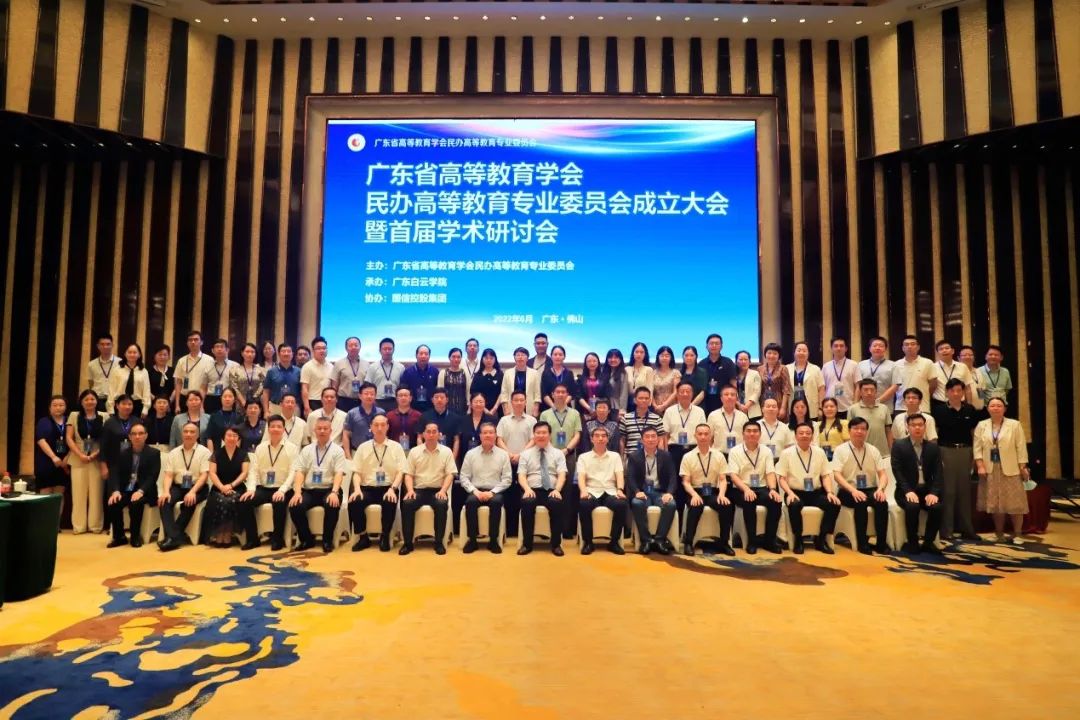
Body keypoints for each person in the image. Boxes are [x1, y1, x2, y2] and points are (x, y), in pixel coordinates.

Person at [776, 422, 841, 554]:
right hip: (794, 492)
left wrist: (829, 492)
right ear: (795, 436)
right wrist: (789, 493)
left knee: (834, 504)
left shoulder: (819, 452)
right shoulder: (786, 453)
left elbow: (825, 475)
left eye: (808, 433)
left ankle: (821, 539)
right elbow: (781, 478)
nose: (804, 435)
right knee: (795, 505)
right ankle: (798, 539)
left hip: (815, 493)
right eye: (801, 433)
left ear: (812, 435)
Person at [346, 414, 407, 552]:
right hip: (366, 488)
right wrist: (357, 489)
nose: (379, 428)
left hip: (388, 487)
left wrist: (393, 489)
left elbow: (401, 472)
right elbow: (357, 472)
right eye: (376, 425)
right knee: (354, 501)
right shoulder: (363, 447)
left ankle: (385, 536)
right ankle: (363, 537)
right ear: (371, 427)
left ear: (387, 427)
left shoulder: (396, 447)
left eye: (383, 425)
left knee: (389, 501)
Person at [830, 417, 890, 554]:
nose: (859, 431)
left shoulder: (873, 450)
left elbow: (883, 474)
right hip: (847, 490)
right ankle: (862, 543)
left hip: (870, 489)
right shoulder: (841, 450)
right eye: (856, 428)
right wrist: (853, 491)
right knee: (860, 502)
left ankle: (881, 543)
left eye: (863, 429)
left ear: (866, 431)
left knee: (882, 502)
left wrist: (880, 489)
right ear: (849, 430)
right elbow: (837, 475)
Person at [974, 398, 1030, 544]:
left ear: (1004, 408)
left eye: (999, 405)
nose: (996, 408)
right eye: (992, 405)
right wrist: (980, 465)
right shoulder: (982, 425)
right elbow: (977, 448)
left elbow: (1021, 447)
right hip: (990, 469)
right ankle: (999, 533)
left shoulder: (1014, 425)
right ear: (988, 408)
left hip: (1011, 468)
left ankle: (1018, 534)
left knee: (1015, 503)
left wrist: (1022, 466)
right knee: (996, 503)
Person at [239, 414, 298, 551]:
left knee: (279, 502)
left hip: (284, 489)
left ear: (283, 429)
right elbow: (253, 470)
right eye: (272, 426)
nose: (275, 429)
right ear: (268, 429)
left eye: (279, 427)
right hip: (264, 488)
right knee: (244, 502)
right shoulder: (261, 448)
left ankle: (277, 539)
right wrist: (251, 489)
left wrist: (282, 490)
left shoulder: (292, 448)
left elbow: (293, 472)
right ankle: (253, 539)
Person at [288, 416, 347, 552]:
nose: (322, 431)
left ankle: (327, 540)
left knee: (332, 504)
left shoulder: (338, 450)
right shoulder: (307, 450)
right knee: (295, 505)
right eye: (319, 428)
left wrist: (334, 492)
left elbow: (339, 473)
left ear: (330, 431)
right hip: (309, 490)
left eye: (325, 428)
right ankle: (307, 539)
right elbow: (300, 472)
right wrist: (297, 492)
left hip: (329, 489)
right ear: (314, 430)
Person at [933, 378, 981, 541]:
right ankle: (947, 530)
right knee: (948, 492)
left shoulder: (970, 409)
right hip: (946, 451)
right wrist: (938, 456)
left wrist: (975, 454)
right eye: (952, 390)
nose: (955, 393)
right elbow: (935, 434)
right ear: (947, 392)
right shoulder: (939, 410)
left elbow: (974, 434)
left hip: (965, 451)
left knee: (965, 491)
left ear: (963, 392)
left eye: (959, 390)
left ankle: (967, 529)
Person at [726, 421, 784, 554]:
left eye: (755, 431)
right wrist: (746, 490)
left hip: (761, 488)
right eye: (749, 431)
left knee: (776, 501)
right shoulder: (735, 451)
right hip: (741, 488)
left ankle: (770, 541)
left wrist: (773, 490)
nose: (752, 434)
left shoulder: (766, 451)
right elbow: (733, 475)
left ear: (760, 434)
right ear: (743, 434)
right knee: (749, 500)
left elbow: (770, 472)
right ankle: (752, 542)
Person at [400, 422, 457, 555]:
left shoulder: (446, 451)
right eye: (428, 432)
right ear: (423, 434)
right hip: (418, 491)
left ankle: (439, 543)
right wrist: (410, 490)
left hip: (438, 491)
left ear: (439, 435)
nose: (431, 435)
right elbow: (408, 474)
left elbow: (450, 474)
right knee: (407, 503)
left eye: (434, 432)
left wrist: (443, 491)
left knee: (441, 504)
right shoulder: (414, 451)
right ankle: (408, 544)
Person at [891, 414, 944, 554]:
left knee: (937, 507)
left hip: (926, 491)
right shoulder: (899, 445)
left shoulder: (933, 447)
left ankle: (928, 542)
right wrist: (908, 490)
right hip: (905, 491)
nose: (917, 428)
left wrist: (934, 493)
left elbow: (938, 473)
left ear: (925, 427)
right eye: (913, 425)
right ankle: (912, 542)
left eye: (920, 425)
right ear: (907, 427)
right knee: (912, 506)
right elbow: (897, 471)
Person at [679, 423, 735, 556]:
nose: (703, 437)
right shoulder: (688, 456)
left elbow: (723, 479)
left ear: (711, 436)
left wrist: (722, 494)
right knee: (696, 506)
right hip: (695, 491)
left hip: (713, 492)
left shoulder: (719, 455)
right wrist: (694, 495)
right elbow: (685, 482)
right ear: (695, 436)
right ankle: (688, 542)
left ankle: (724, 542)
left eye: (706, 434)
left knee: (726, 505)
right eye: (700, 434)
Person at [158, 421, 212, 551]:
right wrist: (166, 491)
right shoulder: (174, 452)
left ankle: (171, 538)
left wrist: (192, 491)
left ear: (197, 435)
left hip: (198, 487)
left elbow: (204, 475)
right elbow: (169, 475)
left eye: (192, 432)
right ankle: (175, 537)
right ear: (182, 434)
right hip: (178, 486)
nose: (188, 434)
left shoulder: (205, 452)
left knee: (190, 502)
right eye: (186, 431)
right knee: (164, 501)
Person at [458, 423, 512, 553]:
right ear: (480, 435)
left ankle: (493, 540)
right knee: (470, 502)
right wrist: (475, 491)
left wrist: (492, 492)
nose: (488, 435)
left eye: (491, 432)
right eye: (485, 433)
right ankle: (472, 540)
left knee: (496, 503)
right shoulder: (471, 454)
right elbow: (464, 477)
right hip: (476, 490)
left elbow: (507, 479)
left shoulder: (503, 455)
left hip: (495, 491)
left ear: (495, 435)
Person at [104, 421, 160, 548]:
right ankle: (119, 537)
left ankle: (135, 536)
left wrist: (140, 491)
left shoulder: (154, 453)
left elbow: (152, 477)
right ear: (129, 436)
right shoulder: (122, 454)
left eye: (140, 433)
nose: (137, 436)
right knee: (113, 502)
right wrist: (116, 490)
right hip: (127, 489)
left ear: (146, 435)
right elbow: (115, 474)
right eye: (134, 434)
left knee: (135, 503)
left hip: (146, 491)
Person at [517, 422, 568, 556]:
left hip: (551, 490)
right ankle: (527, 544)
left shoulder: (558, 454)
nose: (541, 435)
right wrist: (527, 489)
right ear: (533, 435)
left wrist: (557, 490)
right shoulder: (525, 454)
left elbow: (562, 474)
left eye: (544, 433)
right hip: (532, 489)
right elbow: (521, 475)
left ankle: (556, 545)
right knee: (527, 503)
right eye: (538, 433)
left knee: (556, 503)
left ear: (549, 435)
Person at [576, 426, 628, 555]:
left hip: (610, 491)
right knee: (584, 504)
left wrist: (620, 489)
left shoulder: (615, 456)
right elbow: (581, 477)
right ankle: (588, 542)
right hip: (591, 491)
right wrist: (583, 490)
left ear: (608, 439)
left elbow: (619, 475)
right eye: (597, 436)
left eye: (603, 436)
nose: (600, 438)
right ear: (591, 439)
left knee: (621, 504)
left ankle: (614, 542)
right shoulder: (583, 457)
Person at [626, 427, 677, 554]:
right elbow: (630, 478)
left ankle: (660, 540)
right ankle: (646, 540)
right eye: (647, 437)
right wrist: (637, 491)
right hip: (643, 493)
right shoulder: (634, 456)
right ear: (642, 440)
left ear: (658, 439)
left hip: (660, 492)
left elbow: (673, 477)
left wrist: (669, 493)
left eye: (653, 436)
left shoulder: (666, 456)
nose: (650, 439)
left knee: (671, 504)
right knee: (637, 503)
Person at [66, 389, 107, 534]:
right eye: (86, 399)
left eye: (92, 399)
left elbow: (106, 439)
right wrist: (80, 454)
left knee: (96, 494)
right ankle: (79, 526)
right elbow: (69, 438)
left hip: (97, 459)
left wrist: (96, 454)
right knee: (78, 495)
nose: (90, 402)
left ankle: (95, 526)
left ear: (97, 401)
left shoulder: (104, 416)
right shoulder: (74, 415)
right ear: (81, 402)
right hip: (78, 459)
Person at [202, 426, 251, 547]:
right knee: (221, 500)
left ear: (238, 438)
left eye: (235, 436)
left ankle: (227, 534)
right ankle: (220, 534)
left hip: (237, 487)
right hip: (218, 487)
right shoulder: (216, 454)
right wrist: (222, 487)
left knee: (230, 501)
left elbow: (244, 473)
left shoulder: (243, 454)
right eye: (229, 435)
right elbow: (212, 473)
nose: (231, 438)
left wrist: (231, 485)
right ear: (223, 438)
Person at [496, 390, 536, 537]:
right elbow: (499, 439)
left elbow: (533, 440)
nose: (519, 403)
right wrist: (509, 454)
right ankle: (509, 529)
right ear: (511, 402)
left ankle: (522, 530)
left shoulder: (532, 421)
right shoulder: (503, 420)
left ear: (526, 402)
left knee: (522, 495)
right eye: (516, 400)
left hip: (525, 463)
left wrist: (521, 455)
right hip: (506, 462)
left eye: (521, 400)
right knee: (508, 495)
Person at [98, 396, 138, 517]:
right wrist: (103, 466)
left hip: (132, 465)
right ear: (117, 405)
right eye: (124, 404)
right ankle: (114, 525)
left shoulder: (136, 421)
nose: (127, 407)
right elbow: (103, 446)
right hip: (113, 465)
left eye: (130, 404)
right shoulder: (110, 423)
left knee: (130, 496)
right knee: (114, 497)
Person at [35, 395, 71, 513]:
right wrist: (53, 457)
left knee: (59, 495)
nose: (58, 408)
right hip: (46, 461)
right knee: (45, 494)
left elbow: (74, 441)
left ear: (65, 407)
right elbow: (41, 440)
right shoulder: (43, 421)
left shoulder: (69, 421)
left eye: (61, 405)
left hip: (64, 463)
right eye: (55, 405)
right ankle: (44, 521)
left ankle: (56, 522)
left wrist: (67, 457)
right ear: (49, 408)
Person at [848, 379, 894, 457]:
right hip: (860, 453)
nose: (869, 392)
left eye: (872, 390)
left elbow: (888, 432)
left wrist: (892, 451)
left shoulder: (884, 408)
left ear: (876, 392)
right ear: (860, 392)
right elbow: (849, 433)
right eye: (865, 390)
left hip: (883, 453)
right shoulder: (853, 409)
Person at [893, 334, 938, 414]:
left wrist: (923, 394)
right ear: (903, 348)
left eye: (913, 344)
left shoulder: (927, 363)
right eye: (906, 344)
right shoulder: (896, 365)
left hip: (922, 407)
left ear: (918, 347)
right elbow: (894, 386)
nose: (909, 346)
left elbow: (933, 384)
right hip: (901, 407)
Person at [343, 382, 385, 457]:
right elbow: (346, 435)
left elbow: (385, 433)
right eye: (366, 394)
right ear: (360, 396)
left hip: (378, 452)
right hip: (357, 452)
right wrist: (348, 456)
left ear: (375, 396)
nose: (369, 396)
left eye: (372, 394)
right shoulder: (352, 413)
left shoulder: (381, 412)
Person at [620, 386, 666, 455]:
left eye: (646, 398)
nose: (644, 400)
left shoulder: (657, 419)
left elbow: (660, 441)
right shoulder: (626, 418)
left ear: (650, 401)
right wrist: (621, 457)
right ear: (635, 400)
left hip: (651, 456)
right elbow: (622, 441)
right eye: (641, 398)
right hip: (630, 456)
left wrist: (660, 457)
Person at [108, 343, 151, 416]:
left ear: (139, 355)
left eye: (134, 352)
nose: (132, 355)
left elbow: (146, 391)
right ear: (125, 354)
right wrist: (110, 409)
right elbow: (111, 390)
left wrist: (145, 408)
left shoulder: (144, 371)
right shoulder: (117, 370)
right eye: (129, 352)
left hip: (137, 405)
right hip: (120, 404)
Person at [419, 388, 462, 461]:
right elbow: (419, 438)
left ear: (447, 400)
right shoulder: (424, 416)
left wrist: (452, 459)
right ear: (432, 400)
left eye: (442, 397)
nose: (439, 400)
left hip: (448, 456)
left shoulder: (455, 418)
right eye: (436, 397)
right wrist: (422, 455)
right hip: (428, 456)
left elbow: (456, 440)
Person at [701, 333, 738, 415]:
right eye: (711, 343)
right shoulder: (701, 364)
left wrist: (736, 402)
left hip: (725, 401)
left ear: (721, 346)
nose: (714, 346)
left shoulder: (728, 362)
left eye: (717, 343)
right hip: (706, 402)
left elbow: (734, 384)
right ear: (706, 346)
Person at [786, 341, 825, 420]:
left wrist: (821, 408)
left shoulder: (816, 369)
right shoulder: (787, 368)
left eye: (804, 351)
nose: (801, 353)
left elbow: (821, 389)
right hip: (793, 408)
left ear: (808, 353)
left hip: (811, 407)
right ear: (794, 353)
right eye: (799, 350)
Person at [173, 331, 210, 413]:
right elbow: (178, 383)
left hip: (201, 399)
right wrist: (177, 405)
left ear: (201, 342)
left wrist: (202, 404)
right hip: (184, 398)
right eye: (190, 340)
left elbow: (209, 383)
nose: (193, 342)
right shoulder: (181, 361)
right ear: (187, 343)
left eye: (196, 339)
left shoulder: (209, 360)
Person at [932, 340, 973, 410]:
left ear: (952, 351)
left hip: (960, 404)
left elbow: (968, 389)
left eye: (947, 348)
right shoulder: (932, 367)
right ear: (937, 353)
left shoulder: (963, 367)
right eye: (941, 349)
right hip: (939, 404)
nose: (944, 350)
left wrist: (969, 406)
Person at [366, 337, 405, 411]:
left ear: (393, 350)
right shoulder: (372, 367)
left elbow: (402, 386)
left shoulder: (401, 367)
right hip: (377, 402)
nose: (387, 351)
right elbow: (368, 385)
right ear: (380, 350)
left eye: (390, 349)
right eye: (384, 349)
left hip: (395, 402)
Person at [331, 336, 369, 412]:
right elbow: (334, 385)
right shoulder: (339, 363)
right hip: (343, 401)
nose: (353, 347)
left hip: (361, 401)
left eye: (356, 345)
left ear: (360, 347)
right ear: (346, 348)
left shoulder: (366, 364)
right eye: (350, 345)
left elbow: (368, 385)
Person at [706, 385, 748, 455]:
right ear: (721, 398)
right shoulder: (713, 416)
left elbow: (746, 438)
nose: (729, 397)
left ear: (736, 398)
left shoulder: (743, 417)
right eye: (726, 394)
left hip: (738, 455)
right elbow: (709, 438)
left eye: (732, 395)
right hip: (719, 455)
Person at [857, 336, 899, 406]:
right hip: (863, 405)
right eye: (875, 346)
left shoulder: (893, 365)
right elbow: (858, 385)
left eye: (881, 346)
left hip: (885, 406)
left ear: (885, 349)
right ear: (870, 349)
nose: (877, 348)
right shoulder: (861, 364)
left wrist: (878, 401)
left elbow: (895, 386)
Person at [501, 346, 542, 416]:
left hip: (529, 408)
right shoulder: (507, 373)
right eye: (518, 355)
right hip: (511, 408)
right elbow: (504, 393)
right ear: (514, 358)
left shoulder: (534, 373)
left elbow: (537, 393)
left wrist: (536, 409)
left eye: (523, 355)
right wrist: (505, 409)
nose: (520, 357)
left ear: (527, 358)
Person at [822, 337, 857, 417]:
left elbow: (857, 386)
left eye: (841, 346)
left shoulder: (853, 365)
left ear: (846, 349)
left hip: (848, 407)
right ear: (831, 348)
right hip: (829, 408)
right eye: (836, 346)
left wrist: (855, 404)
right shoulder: (826, 366)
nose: (838, 348)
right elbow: (822, 388)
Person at [263, 343, 301, 416]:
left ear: (292, 354)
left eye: (288, 351)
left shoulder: (299, 371)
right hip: (275, 407)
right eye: (283, 351)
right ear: (279, 354)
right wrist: (266, 411)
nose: (286, 354)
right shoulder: (271, 371)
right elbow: (266, 392)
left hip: (293, 407)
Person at [400, 344, 440, 412]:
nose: (423, 356)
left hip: (430, 408)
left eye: (426, 354)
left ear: (429, 356)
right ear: (416, 355)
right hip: (412, 409)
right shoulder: (408, 372)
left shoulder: (435, 371)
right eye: (421, 353)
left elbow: (437, 390)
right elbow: (403, 390)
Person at [203, 338, 239, 414]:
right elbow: (203, 387)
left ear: (227, 350)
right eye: (217, 347)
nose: (219, 349)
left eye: (222, 347)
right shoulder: (207, 366)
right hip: (211, 399)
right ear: (213, 350)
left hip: (228, 399)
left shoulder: (235, 366)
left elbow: (238, 388)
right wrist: (201, 405)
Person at [301, 336, 333, 416]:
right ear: (313, 351)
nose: (322, 350)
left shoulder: (331, 366)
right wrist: (307, 407)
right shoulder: (307, 366)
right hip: (313, 401)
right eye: (318, 348)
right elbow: (304, 388)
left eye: (324, 348)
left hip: (327, 401)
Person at [86, 331, 120, 407]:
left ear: (112, 345)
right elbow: (91, 383)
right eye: (102, 344)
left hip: (114, 399)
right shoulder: (91, 364)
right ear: (98, 346)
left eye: (108, 344)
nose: (105, 347)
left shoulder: (120, 363)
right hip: (97, 399)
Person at [758, 342, 791, 420]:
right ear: (765, 354)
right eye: (769, 353)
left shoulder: (783, 368)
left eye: (775, 353)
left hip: (778, 402)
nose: (771, 355)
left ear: (779, 355)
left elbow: (786, 390)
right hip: (764, 403)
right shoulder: (760, 369)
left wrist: (783, 408)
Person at [230, 342, 267, 408]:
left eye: (252, 352)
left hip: (256, 404)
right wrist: (243, 402)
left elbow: (263, 385)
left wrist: (253, 400)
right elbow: (234, 387)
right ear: (242, 353)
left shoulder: (261, 370)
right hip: (239, 404)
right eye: (247, 352)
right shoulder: (234, 370)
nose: (250, 354)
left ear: (255, 354)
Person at [540, 345, 576, 412]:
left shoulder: (569, 373)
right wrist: (553, 407)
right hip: (549, 409)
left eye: (560, 354)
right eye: (555, 354)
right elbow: (544, 393)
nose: (558, 357)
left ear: (564, 357)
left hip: (566, 409)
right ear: (551, 356)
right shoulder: (546, 373)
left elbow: (571, 393)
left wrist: (562, 405)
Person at [436, 347, 470, 415]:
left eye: (458, 357)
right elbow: (440, 392)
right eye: (453, 357)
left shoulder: (465, 373)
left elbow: (468, 391)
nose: (456, 359)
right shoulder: (443, 373)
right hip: (447, 409)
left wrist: (469, 407)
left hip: (463, 408)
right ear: (449, 358)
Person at [759, 397, 794, 461]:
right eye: (768, 406)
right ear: (762, 409)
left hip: (780, 461)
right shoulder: (756, 426)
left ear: (778, 410)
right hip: (760, 461)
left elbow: (789, 447)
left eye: (774, 406)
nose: (771, 409)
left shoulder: (784, 427)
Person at [470, 348, 504, 416]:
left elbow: (502, 392)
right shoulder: (478, 375)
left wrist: (494, 409)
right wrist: (484, 409)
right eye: (486, 358)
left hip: (497, 410)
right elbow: (473, 393)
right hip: (480, 409)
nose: (489, 360)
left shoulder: (500, 374)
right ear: (482, 359)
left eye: (491, 358)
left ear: (495, 359)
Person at [576, 352, 609, 416]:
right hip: (584, 411)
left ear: (598, 362)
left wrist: (598, 409)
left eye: (594, 361)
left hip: (601, 411)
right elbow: (579, 396)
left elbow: (606, 395)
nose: (592, 363)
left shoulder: (605, 378)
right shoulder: (580, 379)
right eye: (589, 361)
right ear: (585, 363)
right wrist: (589, 408)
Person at [651, 345, 682, 414]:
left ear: (671, 358)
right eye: (662, 355)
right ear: (658, 357)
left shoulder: (676, 373)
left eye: (667, 356)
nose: (664, 358)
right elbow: (650, 392)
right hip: (656, 409)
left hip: (672, 408)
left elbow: (676, 391)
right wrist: (655, 406)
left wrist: (664, 405)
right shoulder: (653, 373)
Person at [734, 350, 762, 420]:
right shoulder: (733, 375)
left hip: (753, 410)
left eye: (746, 359)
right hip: (736, 408)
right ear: (736, 361)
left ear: (749, 361)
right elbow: (732, 391)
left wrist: (746, 406)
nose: (743, 362)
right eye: (741, 359)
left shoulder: (755, 374)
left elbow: (757, 392)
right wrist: (739, 405)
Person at [958, 345, 986, 413]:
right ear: (959, 358)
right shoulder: (957, 373)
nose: (968, 357)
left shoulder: (978, 371)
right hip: (964, 410)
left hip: (979, 409)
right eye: (964, 355)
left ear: (974, 358)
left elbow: (981, 390)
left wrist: (981, 404)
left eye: (970, 355)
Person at [626, 342, 655, 408]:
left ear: (645, 354)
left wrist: (648, 405)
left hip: (643, 403)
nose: (639, 354)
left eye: (642, 352)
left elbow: (650, 389)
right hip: (629, 403)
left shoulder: (648, 370)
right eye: (636, 352)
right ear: (633, 353)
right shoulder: (627, 369)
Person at [147, 344, 176, 410]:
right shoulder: (148, 372)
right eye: (160, 355)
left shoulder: (173, 371)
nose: (162, 357)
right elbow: (146, 389)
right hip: (153, 405)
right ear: (154, 356)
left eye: (165, 355)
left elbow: (176, 387)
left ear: (169, 357)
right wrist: (157, 401)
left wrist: (169, 401)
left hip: (170, 406)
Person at [603, 348, 630, 414]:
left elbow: (624, 393)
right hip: (602, 407)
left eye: (616, 357)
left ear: (620, 359)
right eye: (610, 357)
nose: (613, 360)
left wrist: (622, 409)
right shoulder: (603, 372)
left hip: (616, 407)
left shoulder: (623, 373)